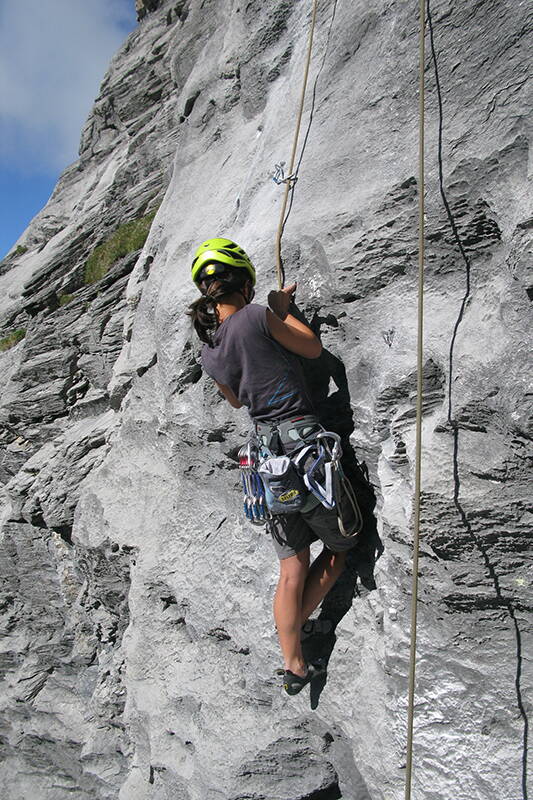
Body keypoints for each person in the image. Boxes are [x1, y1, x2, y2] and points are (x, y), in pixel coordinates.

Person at [188, 237, 366, 695]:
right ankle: (297, 628)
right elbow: (311, 349)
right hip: (307, 447)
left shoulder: (209, 351)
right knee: (342, 545)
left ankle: (294, 662)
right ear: (243, 282)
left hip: (267, 460)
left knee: (291, 569)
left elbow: (233, 400)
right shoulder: (255, 314)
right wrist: (279, 307)